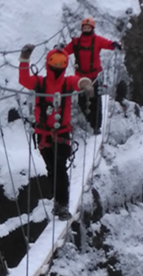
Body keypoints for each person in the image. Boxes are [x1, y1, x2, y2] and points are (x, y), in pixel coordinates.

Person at [19, 44, 94, 220]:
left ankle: (61, 204)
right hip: (43, 133)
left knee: (59, 168)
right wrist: (24, 59)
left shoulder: (67, 82)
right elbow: (24, 80)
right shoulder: (40, 82)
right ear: (49, 63)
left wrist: (86, 84)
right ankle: (58, 202)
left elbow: (78, 80)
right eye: (55, 63)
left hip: (60, 134)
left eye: (61, 63)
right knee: (52, 169)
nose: (58, 67)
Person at [63, 17, 122, 135]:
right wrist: (59, 50)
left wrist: (114, 45)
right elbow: (65, 52)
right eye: (84, 27)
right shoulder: (76, 42)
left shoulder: (97, 40)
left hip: (95, 76)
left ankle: (96, 126)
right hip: (80, 78)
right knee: (82, 100)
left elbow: (108, 44)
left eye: (88, 27)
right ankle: (89, 121)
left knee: (95, 101)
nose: (86, 29)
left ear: (92, 28)